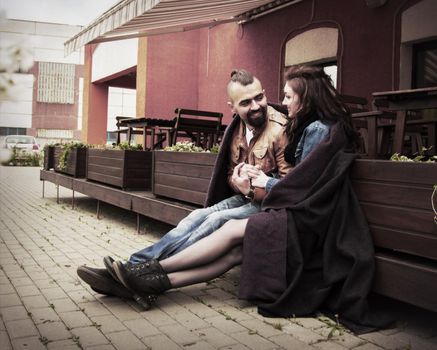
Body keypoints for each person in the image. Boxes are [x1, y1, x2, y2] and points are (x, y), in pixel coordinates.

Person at [111, 65, 391, 333]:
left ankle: (145, 271)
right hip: (297, 211)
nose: (280, 102)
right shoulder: (306, 124)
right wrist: (247, 178)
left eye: (287, 96)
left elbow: (306, 184)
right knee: (233, 247)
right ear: (233, 107)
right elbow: (305, 180)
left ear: (305, 99)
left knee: (229, 227)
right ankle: (151, 282)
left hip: (303, 220)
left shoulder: (315, 129)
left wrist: (262, 181)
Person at [77, 69, 292, 301]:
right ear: (232, 107)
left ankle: (134, 273)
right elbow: (229, 173)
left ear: (265, 93)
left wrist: (252, 187)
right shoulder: (238, 128)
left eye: (259, 98)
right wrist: (237, 182)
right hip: (244, 196)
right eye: (245, 102)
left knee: (215, 220)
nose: (256, 106)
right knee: (194, 217)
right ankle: (132, 269)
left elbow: (290, 187)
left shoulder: (280, 130)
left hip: (266, 204)